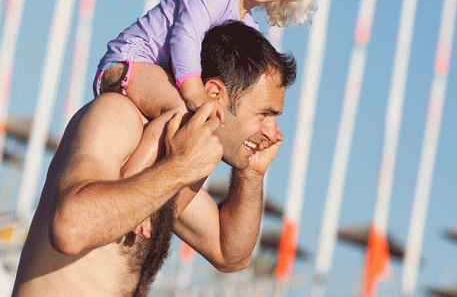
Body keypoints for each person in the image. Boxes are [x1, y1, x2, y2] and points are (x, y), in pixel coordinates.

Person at [11, 21, 296, 297]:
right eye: (265, 114)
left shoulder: (172, 163)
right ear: (214, 94)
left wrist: (251, 175)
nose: (273, 132)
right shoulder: (119, 115)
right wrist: (177, 170)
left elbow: (230, 254)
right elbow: (70, 228)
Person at [94, 0, 317, 187]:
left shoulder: (248, 28)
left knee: (201, 129)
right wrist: (195, 93)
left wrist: (255, 124)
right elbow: (185, 37)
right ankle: (133, 186)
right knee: (183, 110)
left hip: (157, 76)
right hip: (130, 61)